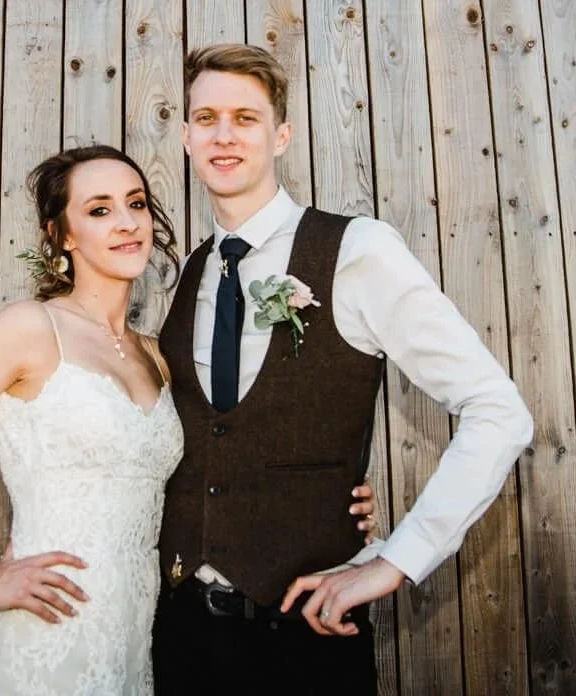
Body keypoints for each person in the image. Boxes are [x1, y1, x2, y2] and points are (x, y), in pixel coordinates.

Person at [0, 145, 374, 695]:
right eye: (99, 210)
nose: (128, 223)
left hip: (140, 631)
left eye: (136, 203)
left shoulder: (158, 355)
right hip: (51, 622)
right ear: (62, 235)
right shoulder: (29, 329)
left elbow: (220, 458)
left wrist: (321, 498)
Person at [152, 44, 535, 695]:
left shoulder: (356, 250)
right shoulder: (190, 272)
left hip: (304, 644)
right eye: (207, 117)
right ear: (186, 135)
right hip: (184, 640)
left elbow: (499, 411)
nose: (224, 135)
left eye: (246, 118)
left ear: (281, 135)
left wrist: (394, 560)